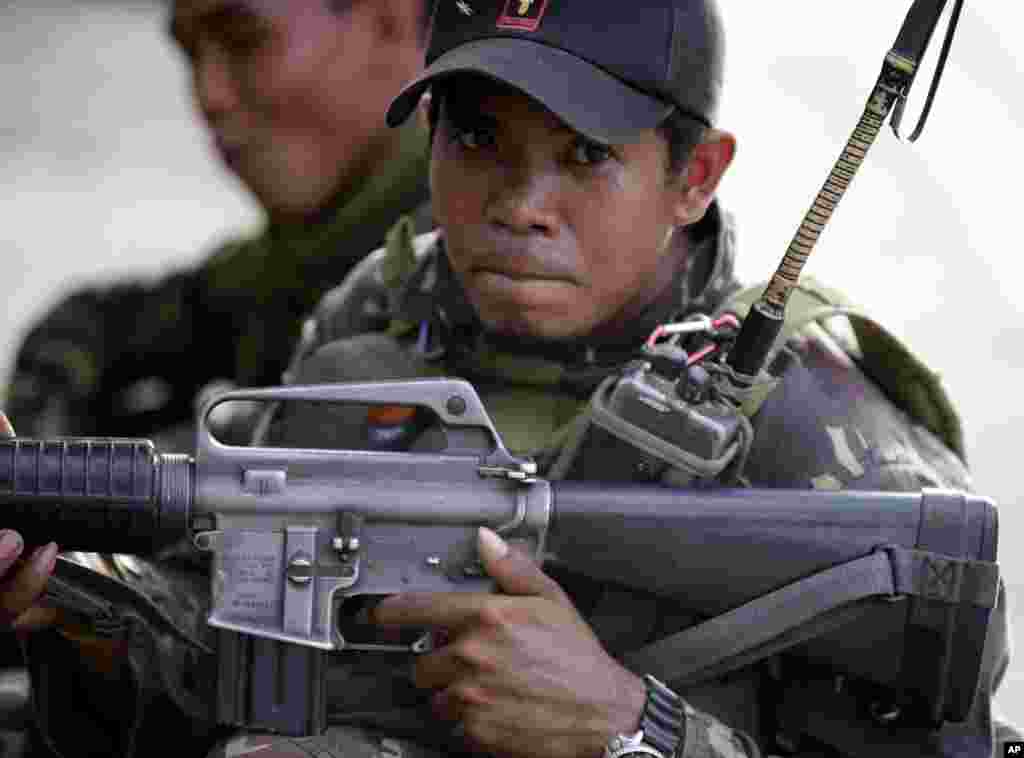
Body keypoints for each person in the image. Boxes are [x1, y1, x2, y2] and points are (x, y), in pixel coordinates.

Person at [1, 1, 1020, 757]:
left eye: (583, 154)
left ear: (695, 174)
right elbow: (250, 643)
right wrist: (77, 605)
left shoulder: (822, 433)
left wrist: (630, 726)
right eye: (477, 136)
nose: (521, 204)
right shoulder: (377, 319)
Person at [3, 0, 436, 448]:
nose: (208, 96)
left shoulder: (462, 271)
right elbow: (91, 324)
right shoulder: (294, 256)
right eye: (191, 54)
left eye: (244, 40)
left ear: (390, 20)